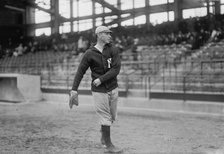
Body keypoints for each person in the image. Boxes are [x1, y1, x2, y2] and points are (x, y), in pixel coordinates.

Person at [69, 26, 123, 153]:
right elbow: (80, 71)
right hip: (99, 90)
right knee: (105, 116)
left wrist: (101, 79)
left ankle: (104, 136)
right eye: (107, 33)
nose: (110, 35)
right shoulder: (89, 53)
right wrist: (74, 89)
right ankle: (108, 145)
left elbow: (116, 69)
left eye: (110, 33)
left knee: (112, 116)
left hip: (113, 87)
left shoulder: (113, 49)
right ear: (99, 35)